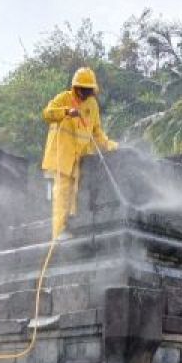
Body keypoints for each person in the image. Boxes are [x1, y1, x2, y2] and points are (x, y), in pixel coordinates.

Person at [41, 66, 118, 239]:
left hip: (79, 157)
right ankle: (58, 232)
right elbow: (47, 114)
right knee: (62, 193)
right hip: (61, 155)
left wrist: (109, 145)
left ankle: (70, 228)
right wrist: (66, 112)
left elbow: (97, 132)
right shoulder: (64, 98)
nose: (84, 92)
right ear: (76, 87)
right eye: (82, 88)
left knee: (75, 195)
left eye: (88, 89)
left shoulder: (92, 105)